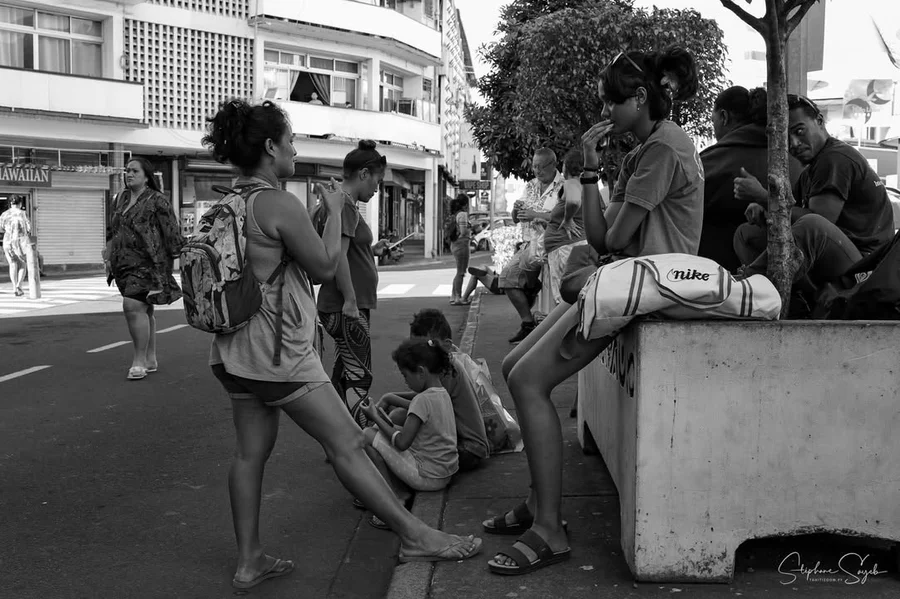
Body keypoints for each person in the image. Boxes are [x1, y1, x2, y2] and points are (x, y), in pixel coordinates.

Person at [202, 99, 481, 589]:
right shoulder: (277, 202)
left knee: (249, 454)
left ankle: (249, 561)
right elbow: (326, 268)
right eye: (289, 142)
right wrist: (333, 211)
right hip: (279, 356)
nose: (293, 150)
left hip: (233, 353)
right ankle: (414, 534)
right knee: (349, 442)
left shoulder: (228, 202)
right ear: (270, 148)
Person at [483, 47, 704, 576]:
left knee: (530, 382)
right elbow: (602, 234)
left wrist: (588, 179)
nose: (606, 111)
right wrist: (587, 174)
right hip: (623, 281)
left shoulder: (662, 149)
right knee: (515, 369)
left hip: (645, 289)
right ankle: (540, 505)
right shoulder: (645, 148)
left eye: (612, 101)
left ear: (641, 97)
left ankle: (550, 530)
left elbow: (613, 237)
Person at [733, 94, 894, 289]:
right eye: (785, 138)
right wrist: (764, 209)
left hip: (865, 268)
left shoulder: (835, 159)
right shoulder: (811, 170)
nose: (793, 143)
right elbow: (791, 214)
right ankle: (790, 300)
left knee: (812, 225)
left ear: (819, 121)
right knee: (747, 233)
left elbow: (819, 222)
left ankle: (749, 286)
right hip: (838, 257)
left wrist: (763, 197)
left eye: (799, 131)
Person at [313, 140, 391, 426]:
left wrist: (370, 250)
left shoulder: (341, 203)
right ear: (364, 174)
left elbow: (343, 251)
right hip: (344, 306)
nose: (377, 188)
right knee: (359, 377)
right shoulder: (344, 205)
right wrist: (350, 300)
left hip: (339, 305)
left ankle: (338, 438)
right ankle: (356, 442)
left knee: (345, 373)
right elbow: (339, 257)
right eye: (378, 181)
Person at [359, 337, 460, 529]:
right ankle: (400, 489)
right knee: (381, 431)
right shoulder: (441, 393)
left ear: (421, 372)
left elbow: (402, 442)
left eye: (406, 376)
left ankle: (396, 498)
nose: (405, 382)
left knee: (367, 435)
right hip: (445, 472)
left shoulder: (422, 400)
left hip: (428, 477)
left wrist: (375, 416)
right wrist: (383, 419)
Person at [699, 87, 801, 272]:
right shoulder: (796, 158)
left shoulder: (710, 162)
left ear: (724, 116)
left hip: (713, 274)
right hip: (790, 269)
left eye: (713, 120)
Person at [376, 309, 490, 472]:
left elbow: (426, 407)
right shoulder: (441, 365)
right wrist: (390, 397)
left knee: (398, 425)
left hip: (469, 449)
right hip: (459, 441)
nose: (419, 354)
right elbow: (422, 399)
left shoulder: (448, 370)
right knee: (399, 417)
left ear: (446, 345)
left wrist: (391, 399)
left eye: (424, 348)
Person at [104, 157, 184, 380]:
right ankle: (150, 357)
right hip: (123, 264)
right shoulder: (120, 198)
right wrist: (108, 253)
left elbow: (171, 231)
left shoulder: (158, 200)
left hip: (149, 263)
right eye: (127, 171)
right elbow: (113, 228)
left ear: (147, 176)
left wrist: (181, 257)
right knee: (143, 309)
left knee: (132, 306)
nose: (129, 174)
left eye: (134, 171)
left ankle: (138, 360)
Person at [501, 147, 565, 343]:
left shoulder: (564, 186)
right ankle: (528, 323)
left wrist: (535, 215)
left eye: (540, 167)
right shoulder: (530, 185)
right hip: (530, 243)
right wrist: (516, 210)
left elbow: (564, 217)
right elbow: (517, 218)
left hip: (552, 244)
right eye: (534, 167)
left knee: (552, 294)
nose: (537, 171)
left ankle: (531, 287)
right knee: (506, 278)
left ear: (553, 165)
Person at [541, 148, 588, 306]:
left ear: (566, 166)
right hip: (572, 247)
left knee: (564, 302)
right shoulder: (587, 187)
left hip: (565, 248)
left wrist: (567, 219)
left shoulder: (571, 183)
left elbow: (574, 201)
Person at [0, 195, 31, 296]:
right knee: (23, 264)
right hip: (20, 242)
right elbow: (28, 228)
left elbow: (1, 229)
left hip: (8, 241)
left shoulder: (4, 214)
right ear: (20, 203)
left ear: (10, 203)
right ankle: (19, 285)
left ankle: (14, 287)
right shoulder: (23, 214)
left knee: (12, 264)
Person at [448, 194, 472, 305]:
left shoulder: (456, 214)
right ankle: (458, 297)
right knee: (461, 272)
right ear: (466, 204)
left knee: (459, 271)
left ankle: (454, 296)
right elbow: (463, 232)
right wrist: (471, 229)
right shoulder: (462, 214)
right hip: (461, 244)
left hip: (455, 244)